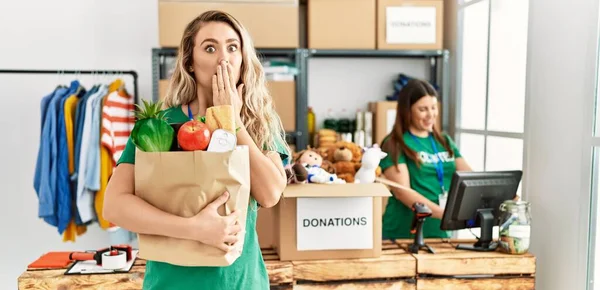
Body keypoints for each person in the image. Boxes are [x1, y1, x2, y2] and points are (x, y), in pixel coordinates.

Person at [103, 10, 290, 290]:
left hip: (240, 283)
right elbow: (114, 205)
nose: (223, 58)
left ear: (242, 59)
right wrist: (193, 229)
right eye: (210, 48)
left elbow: (271, 193)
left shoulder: (259, 122)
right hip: (170, 283)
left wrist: (233, 120)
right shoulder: (160, 125)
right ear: (190, 62)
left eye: (233, 47)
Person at [379, 79, 472, 240]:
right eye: (423, 109)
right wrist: (444, 214)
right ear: (407, 111)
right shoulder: (393, 143)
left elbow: (471, 178)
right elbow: (403, 192)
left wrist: (496, 195)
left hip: (440, 232)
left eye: (434, 107)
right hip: (403, 234)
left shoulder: (443, 141)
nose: (431, 115)